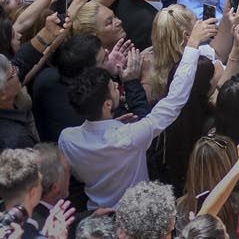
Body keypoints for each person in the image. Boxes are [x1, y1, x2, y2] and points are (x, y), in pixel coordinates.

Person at [60, 16, 214, 208]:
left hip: (96, 212)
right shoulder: (130, 136)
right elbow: (175, 99)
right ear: (107, 105)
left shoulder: (67, 139)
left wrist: (115, 126)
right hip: (135, 212)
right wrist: (192, 45)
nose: (117, 86)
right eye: (113, 86)